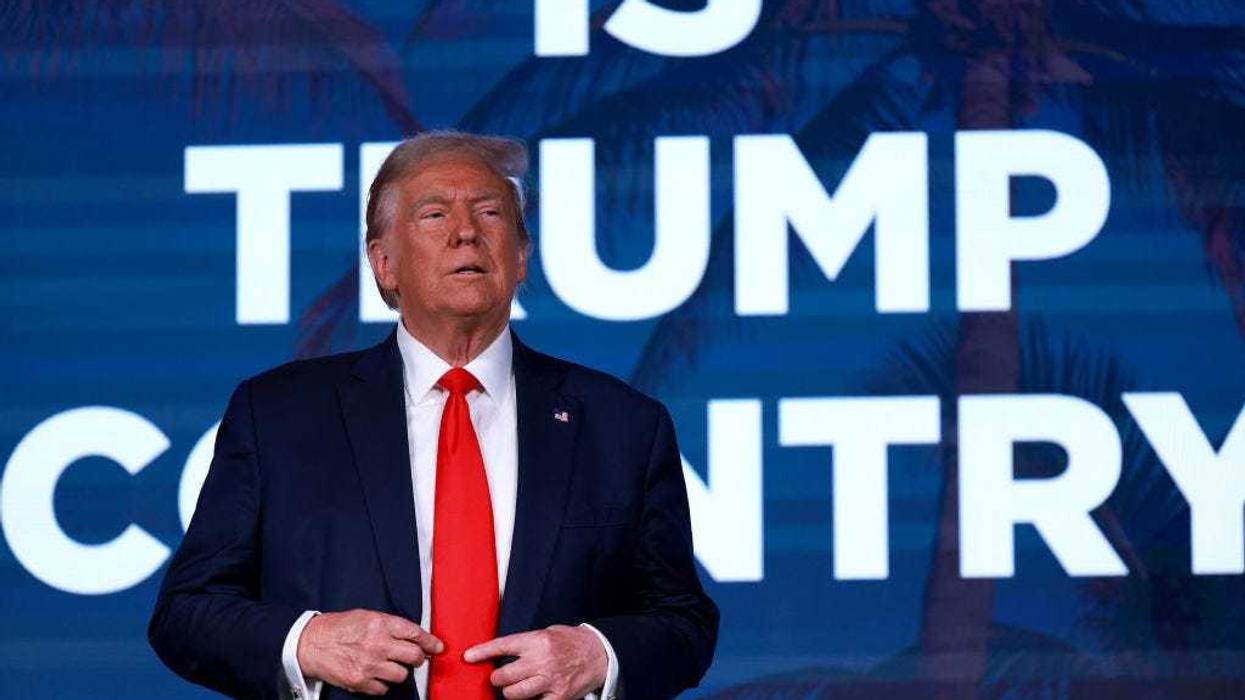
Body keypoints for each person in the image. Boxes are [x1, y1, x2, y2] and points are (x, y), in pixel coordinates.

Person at [148, 131, 718, 700]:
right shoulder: (278, 418)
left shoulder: (622, 425)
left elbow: (682, 621)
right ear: (384, 263)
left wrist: (597, 653)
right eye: (434, 213)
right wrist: (307, 642)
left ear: (520, 257)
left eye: (490, 211)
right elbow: (187, 613)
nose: (465, 232)